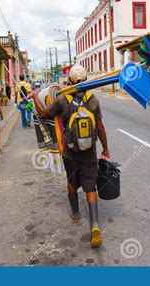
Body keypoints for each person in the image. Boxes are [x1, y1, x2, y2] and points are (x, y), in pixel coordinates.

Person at [33, 64, 110, 248]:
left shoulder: (62, 100)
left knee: (71, 183)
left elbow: (43, 114)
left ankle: (75, 214)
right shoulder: (93, 100)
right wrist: (105, 149)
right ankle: (94, 225)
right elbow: (100, 127)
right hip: (90, 153)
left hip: (70, 153)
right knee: (91, 188)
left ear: (70, 82)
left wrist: (35, 96)